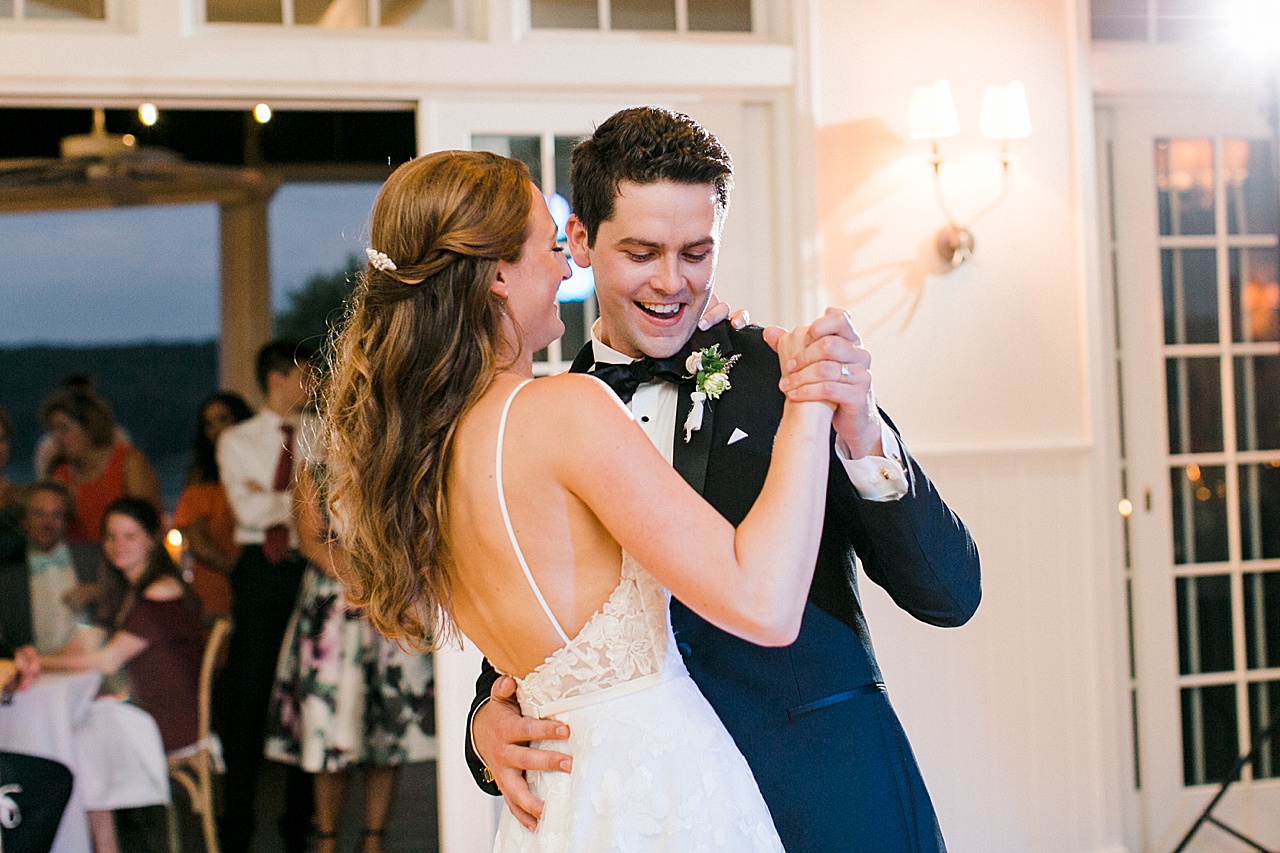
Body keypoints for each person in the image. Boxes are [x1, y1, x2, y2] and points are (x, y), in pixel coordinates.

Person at [467, 106, 982, 853]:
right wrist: (487, 720)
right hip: (650, 818)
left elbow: (950, 593)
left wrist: (863, 430)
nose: (672, 283)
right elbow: (527, 635)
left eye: (696, 252)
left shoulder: (793, 375)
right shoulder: (541, 422)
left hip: (827, 799)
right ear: (578, 238)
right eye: (642, 253)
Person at [325, 149, 836, 851]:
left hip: (559, 808)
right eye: (552, 246)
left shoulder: (424, 450)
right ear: (498, 273)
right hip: (657, 796)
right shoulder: (561, 411)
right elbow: (766, 602)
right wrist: (810, 396)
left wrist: (485, 720)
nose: (568, 270)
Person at [265, 462, 436, 853]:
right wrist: (365, 585)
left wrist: (389, 588)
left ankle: (374, 839)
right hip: (336, 612)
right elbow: (310, 541)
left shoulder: (398, 462)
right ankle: (326, 838)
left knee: (387, 728)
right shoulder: (318, 472)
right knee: (329, 729)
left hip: (390, 606)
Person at [39, 496, 205, 853]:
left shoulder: (161, 590)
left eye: (130, 536)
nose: (118, 545)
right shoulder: (121, 593)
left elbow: (106, 661)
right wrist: (31, 657)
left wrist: (36, 664)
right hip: (139, 711)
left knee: (75, 745)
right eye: (111, 536)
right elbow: (80, 650)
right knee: (72, 739)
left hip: (169, 719)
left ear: (152, 539)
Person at [216, 340, 317, 853]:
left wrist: (280, 501)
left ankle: (298, 828)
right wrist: (303, 501)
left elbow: (333, 508)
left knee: (304, 696)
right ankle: (236, 827)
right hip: (259, 571)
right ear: (276, 378)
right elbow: (248, 514)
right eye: (303, 373)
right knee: (249, 698)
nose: (311, 382)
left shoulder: (321, 435)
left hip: (307, 569)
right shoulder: (237, 440)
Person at [42, 388, 160, 545]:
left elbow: (146, 521)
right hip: (82, 561)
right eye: (53, 431)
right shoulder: (59, 474)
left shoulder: (127, 462)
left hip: (127, 556)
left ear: (89, 426)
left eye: (64, 428)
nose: (57, 438)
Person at [173, 391, 254, 618]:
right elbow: (197, 542)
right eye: (209, 424)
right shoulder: (202, 481)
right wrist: (243, 572)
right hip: (218, 584)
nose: (217, 429)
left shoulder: (258, 470)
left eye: (223, 419)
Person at [0, 481, 98, 653]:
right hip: (40, 673)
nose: (48, 523)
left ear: (67, 521)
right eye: (38, 514)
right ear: (23, 521)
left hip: (94, 666)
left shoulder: (93, 559)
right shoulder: (7, 577)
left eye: (56, 515)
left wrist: (99, 591)